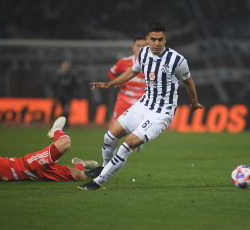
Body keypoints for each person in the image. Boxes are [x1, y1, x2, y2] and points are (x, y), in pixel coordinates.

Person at [78, 21, 202, 190]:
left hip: (161, 113)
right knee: (109, 138)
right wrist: (110, 84)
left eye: (160, 39)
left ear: (165, 39)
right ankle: (105, 167)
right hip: (143, 105)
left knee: (126, 145)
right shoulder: (143, 53)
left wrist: (194, 103)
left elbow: (189, 83)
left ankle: (97, 182)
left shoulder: (177, 60)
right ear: (147, 39)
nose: (157, 43)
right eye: (153, 39)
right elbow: (132, 71)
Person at [0, 116, 98, 183]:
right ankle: (80, 162)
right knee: (81, 176)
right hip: (35, 175)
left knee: (65, 143)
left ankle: (55, 130)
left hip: (29, 165)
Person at [107, 37, 147, 151]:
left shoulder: (151, 64)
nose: (141, 48)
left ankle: (136, 140)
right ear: (133, 47)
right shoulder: (124, 62)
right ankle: (111, 154)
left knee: (140, 127)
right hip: (124, 99)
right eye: (138, 45)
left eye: (143, 46)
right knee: (114, 129)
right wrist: (115, 82)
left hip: (141, 102)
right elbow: (111, 73)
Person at [52, 60, 80, 126]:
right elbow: (54, 84)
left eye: (67, 67)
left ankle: (64, 124)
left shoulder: (72, 75)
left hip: (69, 95)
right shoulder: (58, 74)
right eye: (64, 67)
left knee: (66, 110)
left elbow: (76, 85)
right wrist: (54, 95)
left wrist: (77, 93)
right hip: (60, 95)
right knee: (63, 110)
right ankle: (63, 123)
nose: (66, 68)